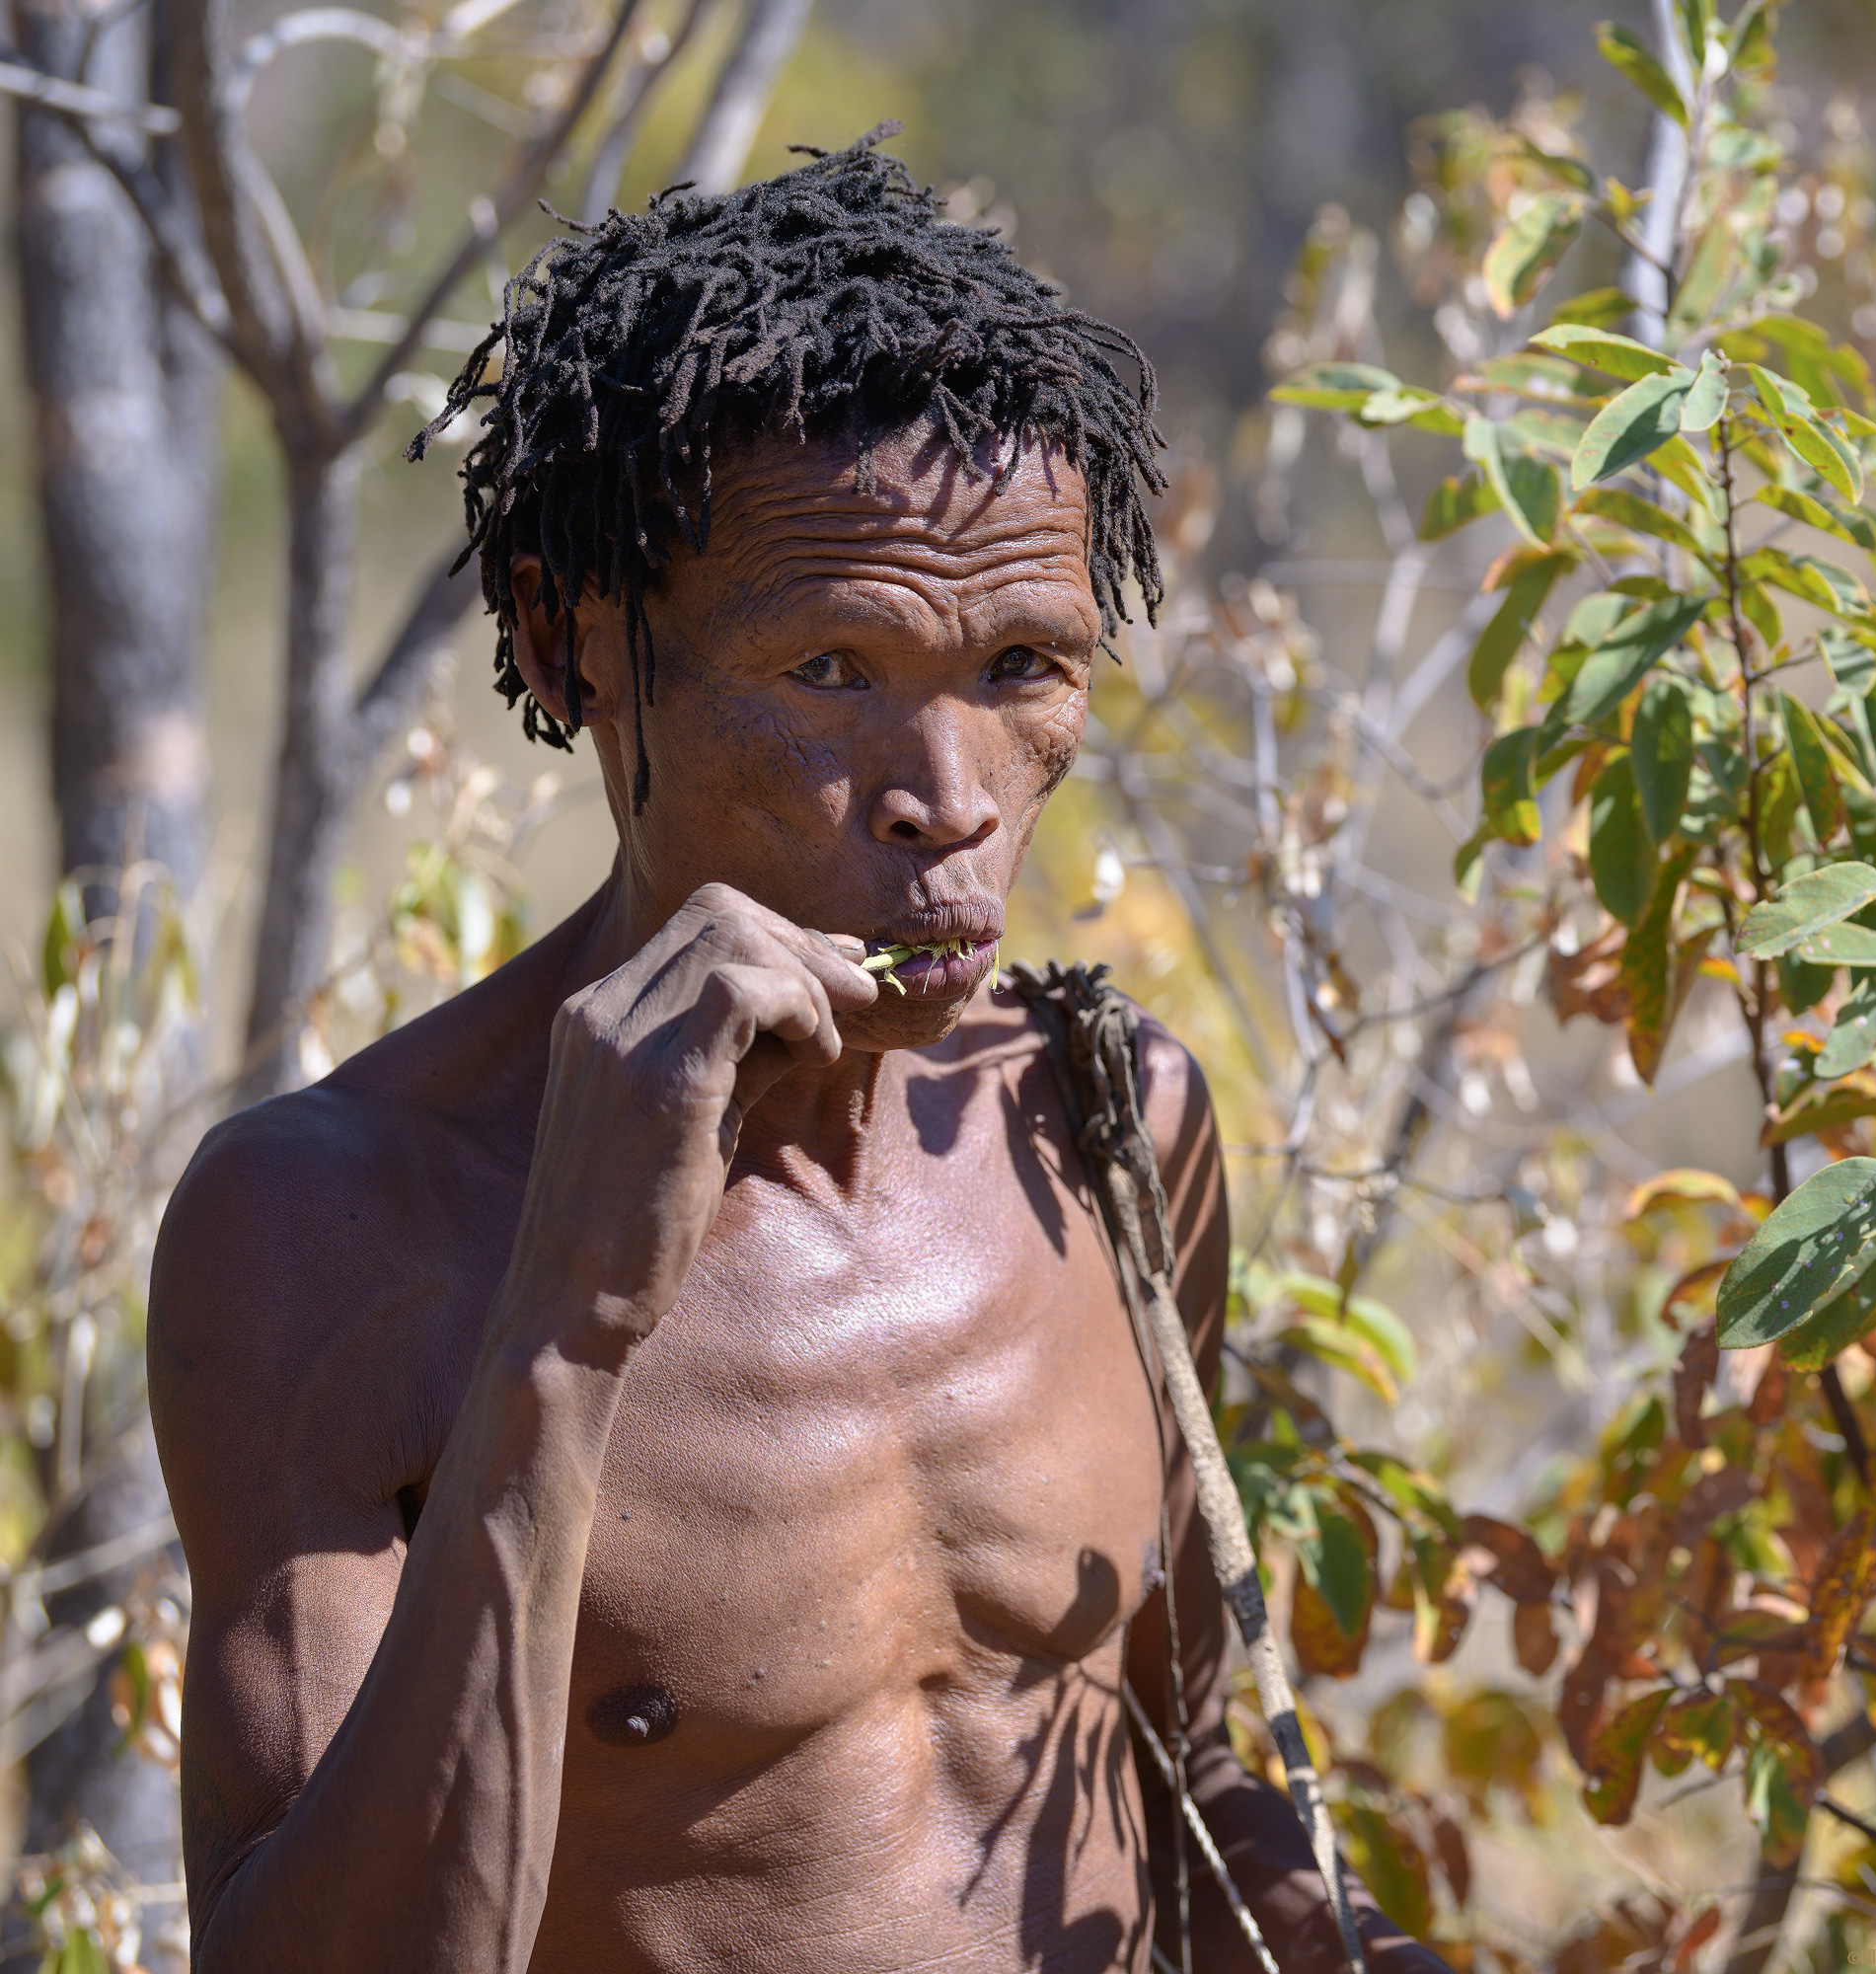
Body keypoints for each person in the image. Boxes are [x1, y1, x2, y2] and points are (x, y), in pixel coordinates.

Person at [150, 132, 1446, 1972]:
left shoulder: (1105, 1120)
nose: (948, 804)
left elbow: (1177, 1760)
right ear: (576, 644)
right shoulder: (331, 1232)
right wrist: (568, 1327)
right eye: (833, 670)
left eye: (1020, 670)